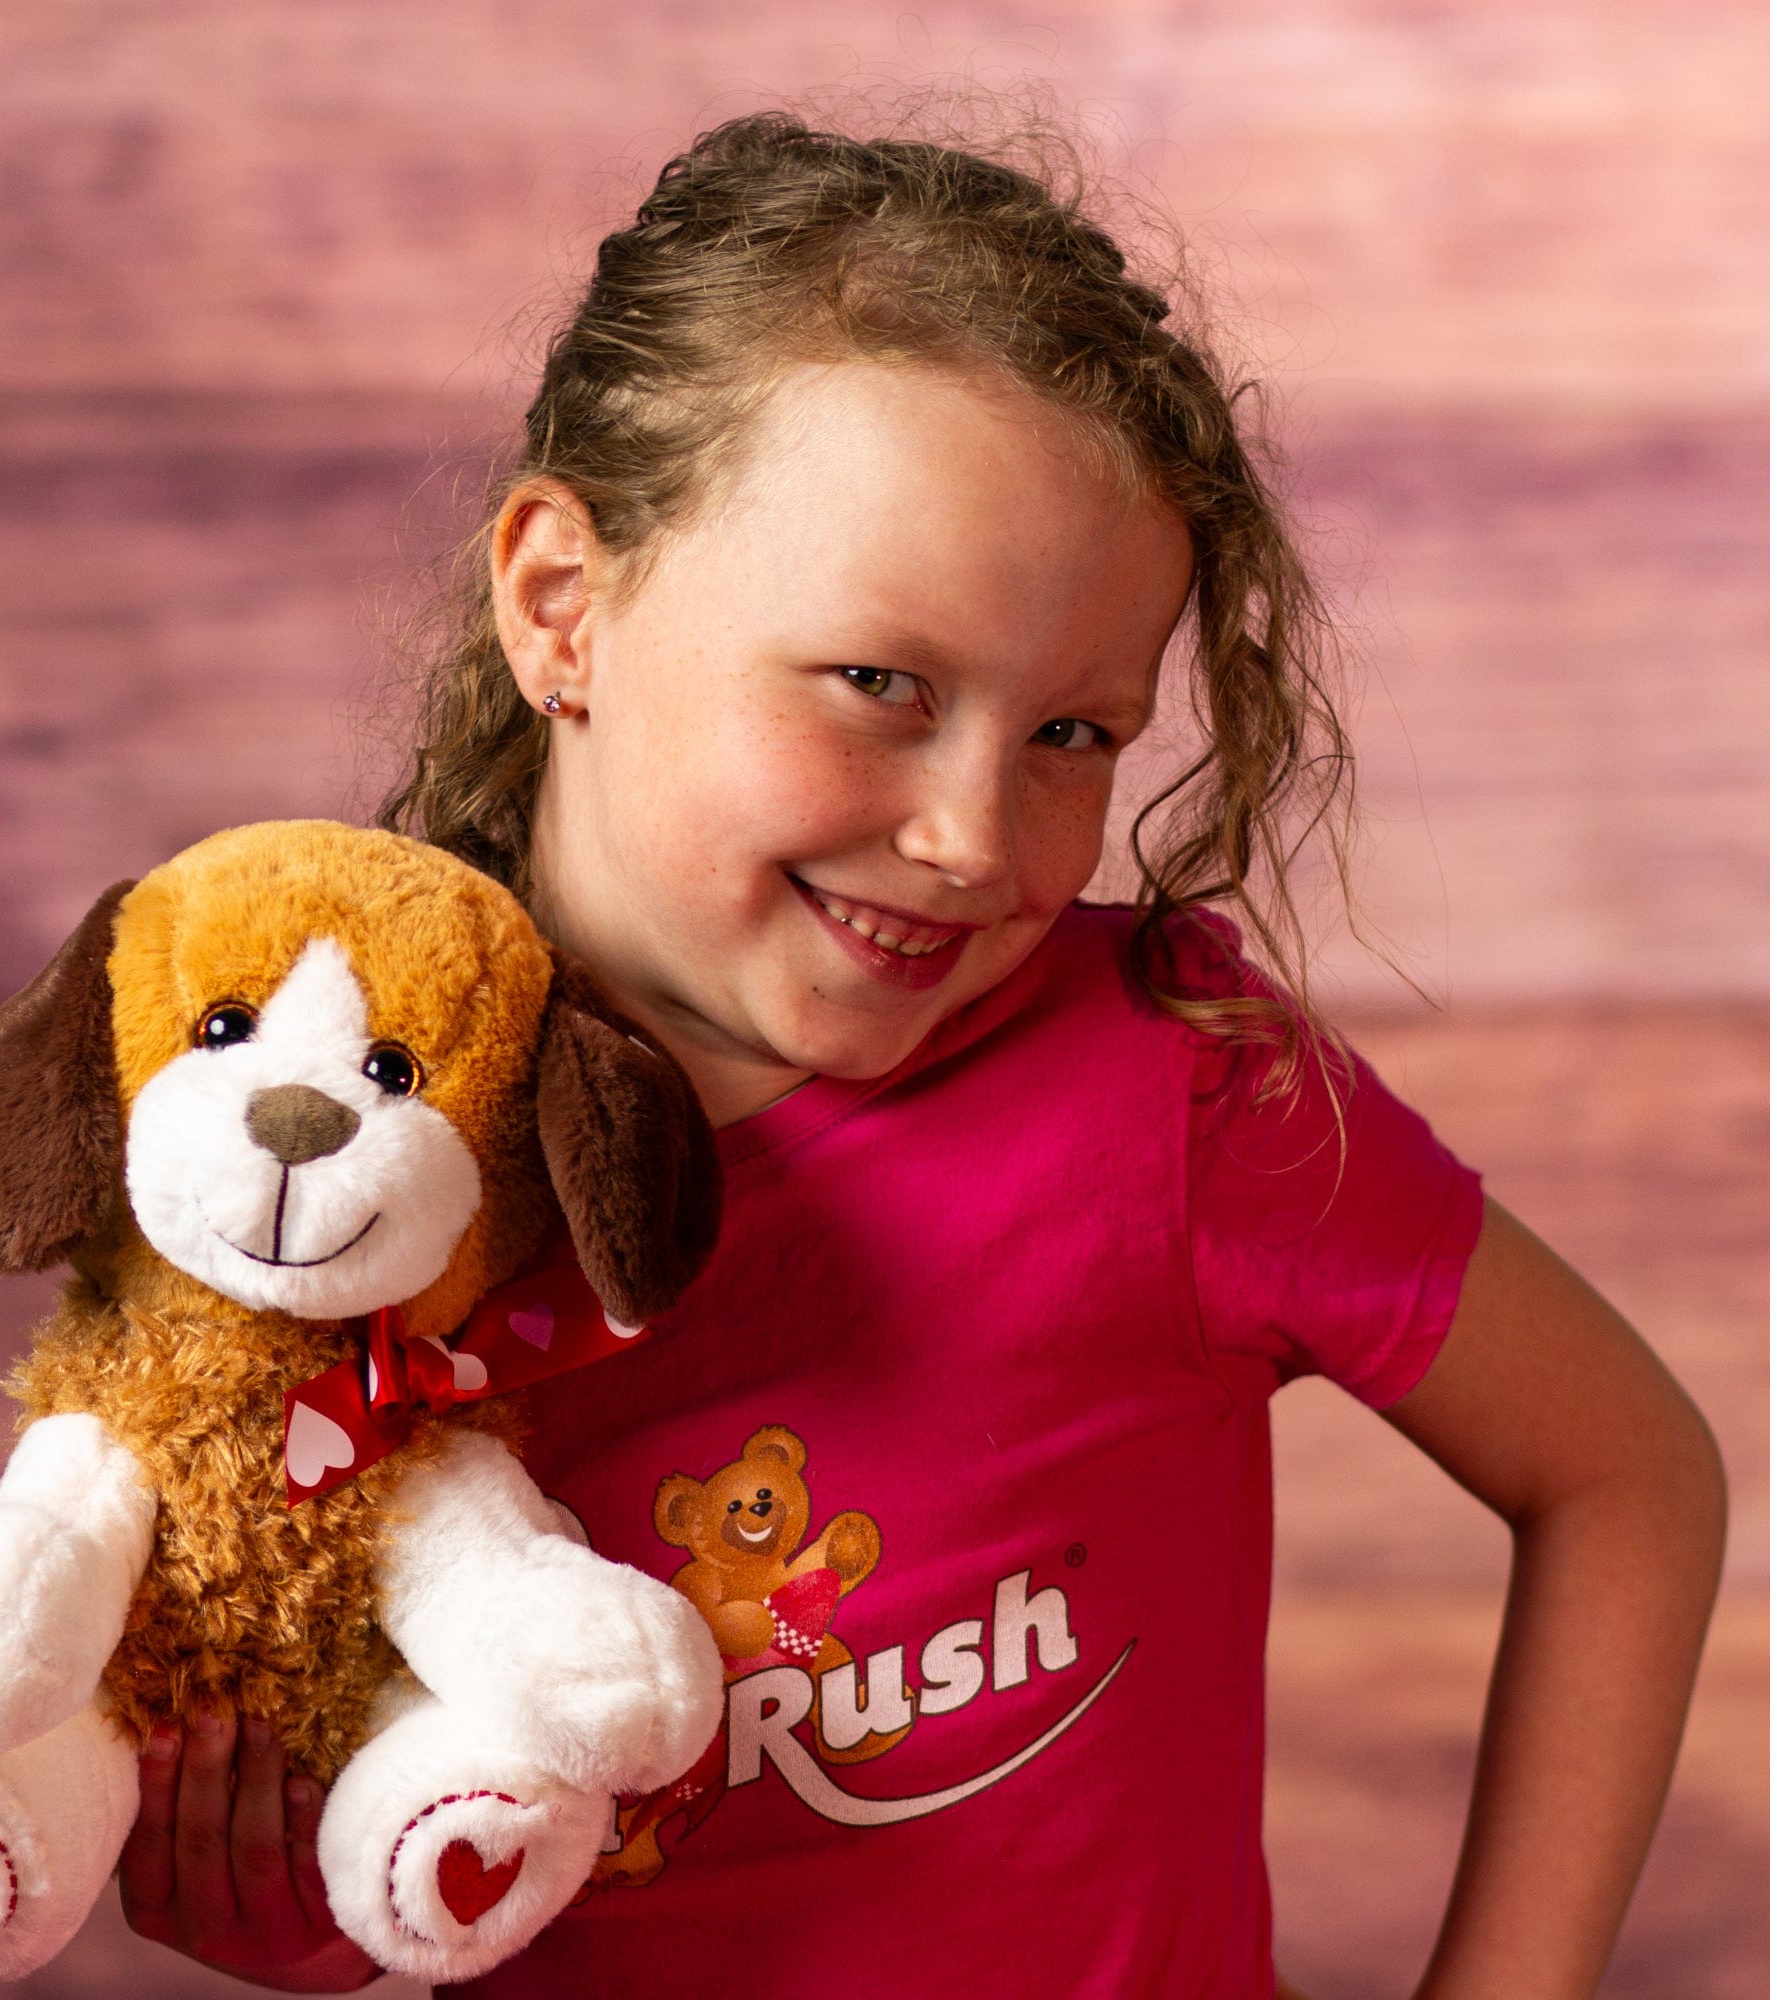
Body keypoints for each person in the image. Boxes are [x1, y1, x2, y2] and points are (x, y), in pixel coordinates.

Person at [114, 109, 1727, 1998]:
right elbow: (366, 1845)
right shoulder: (314, 1185)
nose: (977, 836)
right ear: (562, 601)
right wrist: (273, 1905)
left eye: (1076, 734)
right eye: (883, 685)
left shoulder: (1181, 1090)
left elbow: (1631, 1473)